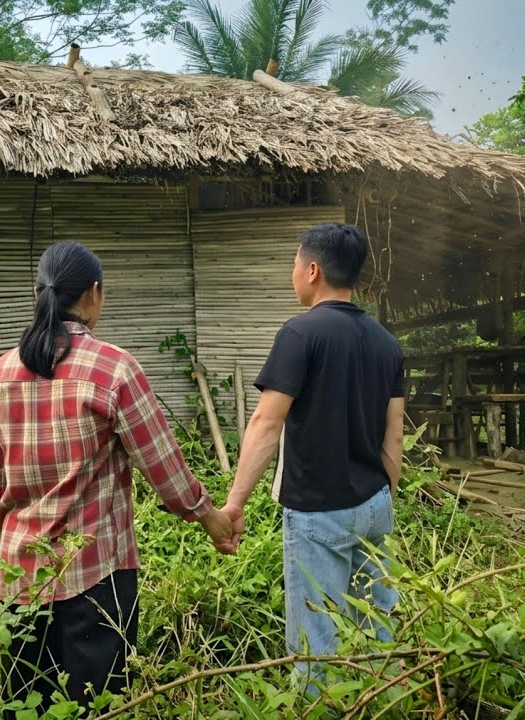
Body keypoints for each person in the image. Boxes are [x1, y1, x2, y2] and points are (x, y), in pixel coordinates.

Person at [0, 241, 234, 716]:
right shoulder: (113, 369)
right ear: (93, 294)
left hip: (18, 581)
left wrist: (17, 537)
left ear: (39, 293)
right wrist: (208, 516)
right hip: (96, 579)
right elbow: (165, 469)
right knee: (97, 707)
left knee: (26, 704)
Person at [219, 222, 405, 696]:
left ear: (313, 270)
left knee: (314, 643)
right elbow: (394, 436)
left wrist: (234, 504)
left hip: (318, 512)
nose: (293, 273)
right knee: (379, 631)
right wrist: (383, 501)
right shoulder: (387, 342)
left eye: (295, 264)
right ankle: (387, 699)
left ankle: (314, 707)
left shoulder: (300, 334)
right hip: (374, 503)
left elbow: (265, 423)